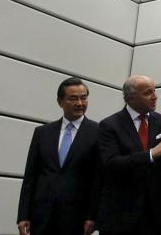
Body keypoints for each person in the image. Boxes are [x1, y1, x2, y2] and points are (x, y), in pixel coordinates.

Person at [17, 77, 100, 235]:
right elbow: (30, 177)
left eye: (83, 98)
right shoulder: (42, 133)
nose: (80, 103)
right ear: (60, 102)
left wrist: (92, 215)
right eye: (73, 98)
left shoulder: (99, 132)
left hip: (77, 217)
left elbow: (98, 179)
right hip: (41, 215)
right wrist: (23, 215)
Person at [97, 75, 161, 235]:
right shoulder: (109, 125)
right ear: (130, 98)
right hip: (119, 213)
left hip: (153, 213)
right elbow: (111, 163)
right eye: (148, 93)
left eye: (154, 91)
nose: (155, 97)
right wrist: (150, 155)